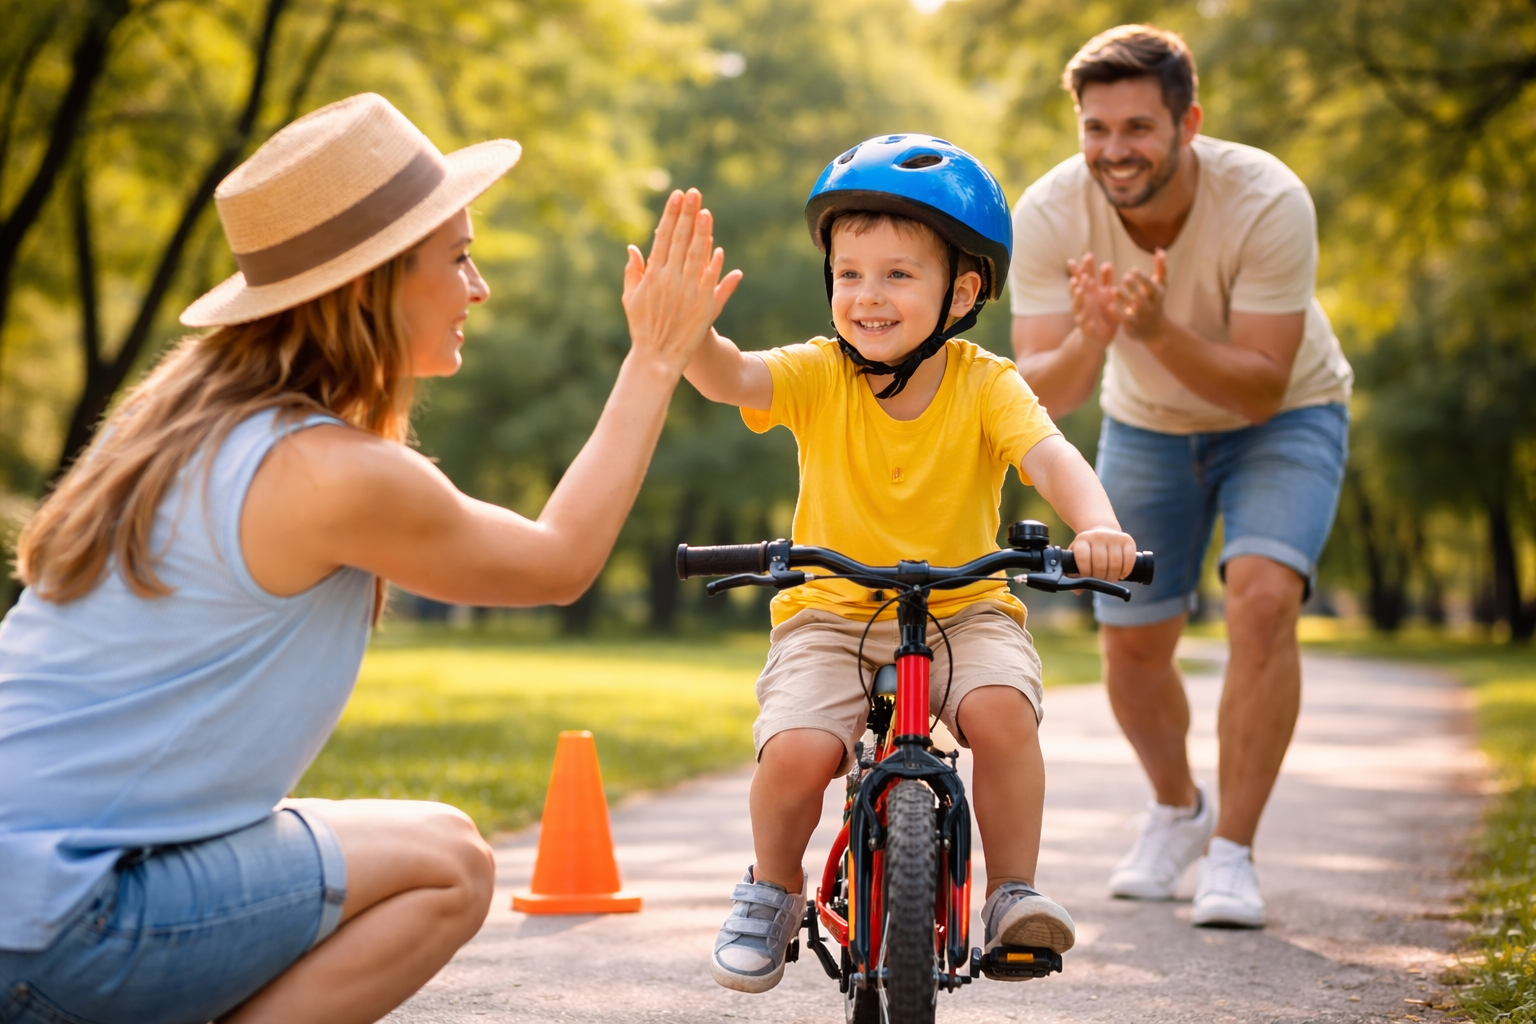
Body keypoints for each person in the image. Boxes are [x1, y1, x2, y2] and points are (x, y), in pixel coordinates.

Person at [0, 93, 737, 1024]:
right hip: (62, 926)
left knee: (430, 839)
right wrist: (655, 357)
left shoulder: (169, 426)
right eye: (459, 258)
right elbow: (558, 563)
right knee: (449, 865)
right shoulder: (330, 473)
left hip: (31, 894)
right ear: (373, 284)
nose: (479, 288)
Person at [683, 133, 1140, 993]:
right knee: (795, 753)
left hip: (966, 610)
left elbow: (1050, 458)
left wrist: (1098, 523)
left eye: (898, 274)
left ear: (961, 292)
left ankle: (1011, 894)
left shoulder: (987, 382)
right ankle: (772, 891)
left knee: (1003, 713)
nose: (867, 295)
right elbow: (730, 377)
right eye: (849, 273)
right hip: (830, 613)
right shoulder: (818, 374)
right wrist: (687, 334)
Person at [1009, 25, 1352, 928]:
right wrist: (1092, 333)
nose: (1113, 151)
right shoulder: (1049, 213)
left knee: (1263, 596)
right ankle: (1177, 808)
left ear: (1187, 122)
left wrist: (1155, 331)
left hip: (1285, 419)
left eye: (1136, 128)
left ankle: (1232, 853)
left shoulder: (1267, 198)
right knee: (1130, 641)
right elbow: (1038, 396)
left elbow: (1262, 382)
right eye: (1095, 128)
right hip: (1147, 426)